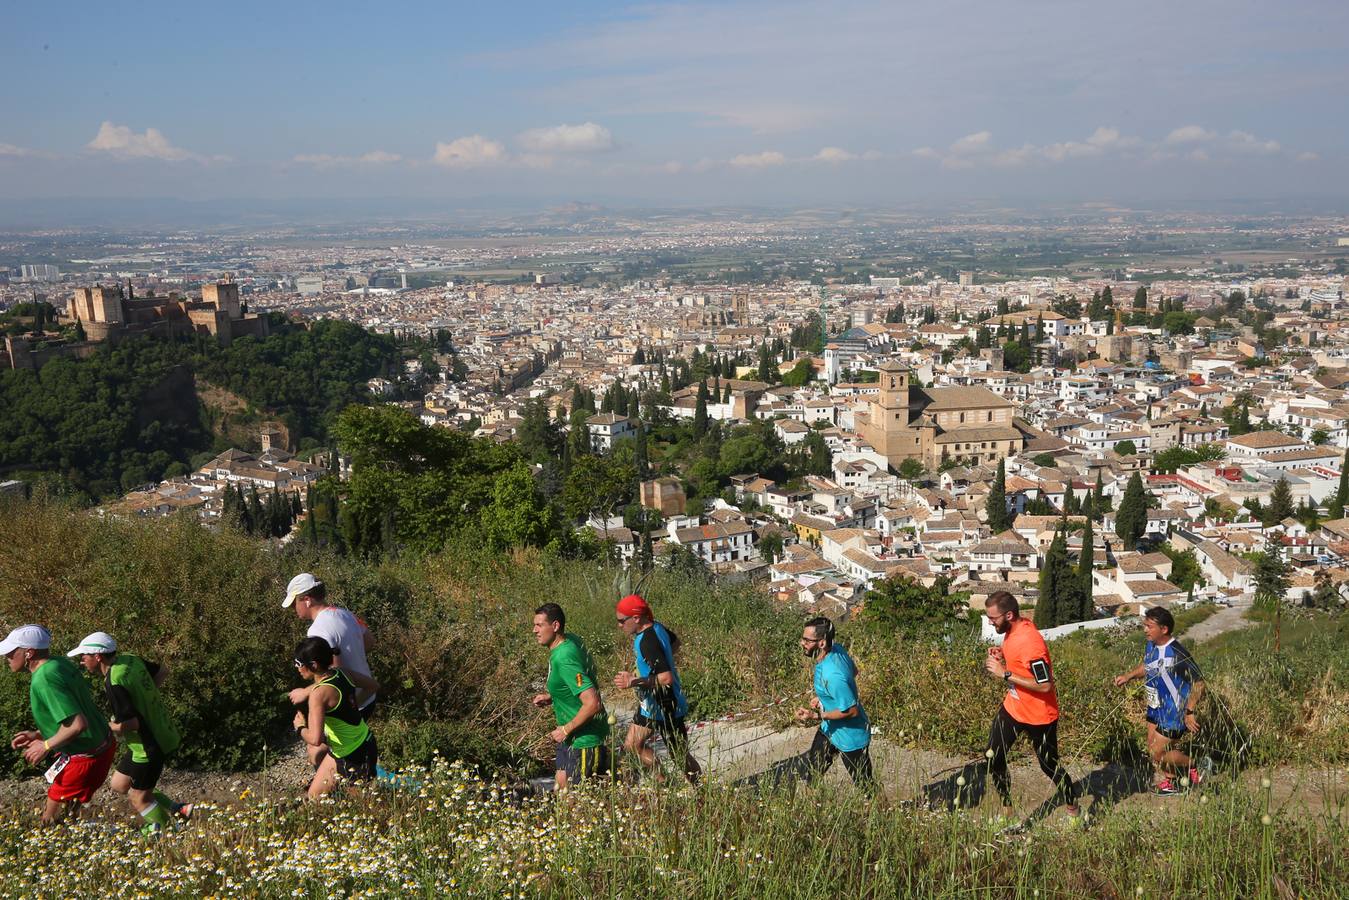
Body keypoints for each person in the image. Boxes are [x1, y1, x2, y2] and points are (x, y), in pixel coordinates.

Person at [68, 632, 191, 834]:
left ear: (98, 657)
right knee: (119, 784)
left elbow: (131, 724)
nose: (82, 661)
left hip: (148, 745)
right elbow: (162, 671)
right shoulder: (130, 659)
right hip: (157, 733)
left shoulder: (113, 682)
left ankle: (169, 833)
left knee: (138, 798)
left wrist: (107, 726)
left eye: (84, 656)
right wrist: (144, 700)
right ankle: (178, 809)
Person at [3, 625, 115, 825]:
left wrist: (45, 745)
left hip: (84, 757)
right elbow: (74, 711)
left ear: (29, 653)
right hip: (101, 745)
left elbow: (77, 725)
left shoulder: (44, 678)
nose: (6, 657)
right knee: (67, 818)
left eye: (11, 652)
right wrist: (39, 734)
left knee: (50, 823)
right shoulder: (58, 663)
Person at [982, 592, 1080, 822]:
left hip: (1039, 715)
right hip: (1013, 708)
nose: (990, 622)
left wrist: (1004, 673)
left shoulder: (1031, 643)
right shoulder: (1015, 629)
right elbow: (1020, 658)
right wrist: (1003, 653)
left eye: (993, 618)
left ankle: (1074, 810)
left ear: (1009, 615)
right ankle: (1007, 810)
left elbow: (1045, 685)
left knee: (1049, 766)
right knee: (993, 756)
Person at [1113, 606, 1210, 794]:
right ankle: (1171, 783)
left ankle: (1194, 764)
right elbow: (1148, 665)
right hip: (1155, 705)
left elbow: (1199, 682)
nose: (1145, 630)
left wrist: (1190, 711)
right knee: (1154, 748)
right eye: (1144, 625)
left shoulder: (1178, 654)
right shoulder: (1151, 644)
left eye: (1149, 626)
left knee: (1156, 753)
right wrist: (1128, 676)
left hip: (1173, 711)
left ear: (1164, 629)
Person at [612, 593, 701, 785]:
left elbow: (666, 678)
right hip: (651, 704)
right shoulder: (656, 627)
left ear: (636, 618)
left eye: (622, 621)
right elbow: (675, 642)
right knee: (632, 746)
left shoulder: (648, 642)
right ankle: (665, 784)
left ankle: (701, 789)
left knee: (679, 756)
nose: (619, 625)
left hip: (667, 705)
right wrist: (660, 661)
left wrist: (634, 681)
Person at [787, 617, 874, 789]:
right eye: (803, 638)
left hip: (850, 738)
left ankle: (880, 806)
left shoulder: (832, 674)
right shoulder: (837, 650)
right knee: (812, 775)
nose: (802, 643)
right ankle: (811, 806)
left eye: (807, 640)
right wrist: (824, 697)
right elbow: (854, 671)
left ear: (821, 643)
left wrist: (816, 715)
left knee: (867, 787)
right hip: (829, 731)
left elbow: (852, 711)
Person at [530, 603, 610, 789]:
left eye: (539, 625)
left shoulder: (564, 657)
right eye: (534, 625)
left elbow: (593, 703)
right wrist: (553, 696)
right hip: (569, 737)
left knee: (576, 797)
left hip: (584, 739)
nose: (534, 630)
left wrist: (566, 729)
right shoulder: (571, 640)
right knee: (561, 785)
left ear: (555, 626)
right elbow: (579, 679)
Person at [292, 637, 380, 799]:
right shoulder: (342, 673)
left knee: (361, 807)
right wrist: (351, 706)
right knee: (314, 797)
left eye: (298, 663)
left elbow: (315, 739)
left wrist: (300, 727)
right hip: (357, 744)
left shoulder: (318, 695)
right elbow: (373, 686)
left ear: (314, 665)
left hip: (354, 756)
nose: (297, 668)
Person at [284, 573, 376, 720]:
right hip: (368, 696)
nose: (293, 609)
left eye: (294, 604)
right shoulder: (346, 614)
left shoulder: (317, 630)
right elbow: (370, 642)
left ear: (307, 600)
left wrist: (305, 692)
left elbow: (333, 675)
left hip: (347, 704)